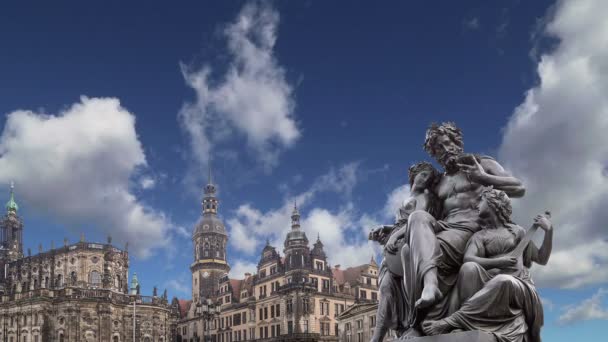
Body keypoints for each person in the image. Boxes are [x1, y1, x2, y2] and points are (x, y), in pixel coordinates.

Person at [395, 122, 526, 336]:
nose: (445, 150)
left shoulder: (481, 163)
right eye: (438, 149)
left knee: (416, 252)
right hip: (445, 227)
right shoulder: (438, 182)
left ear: (457, 142)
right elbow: (417, 209)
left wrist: (483, 177)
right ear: (434, 154)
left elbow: (519, 188)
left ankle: (431, 309)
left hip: (471, 228)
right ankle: (429, 291)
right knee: (411, 239)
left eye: (447, 144)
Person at [422, 188, 552, 342]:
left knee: (503, 280)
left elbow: (542, 258)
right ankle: (468, 323)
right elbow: (468, 258)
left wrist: (549, 231)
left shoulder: (517, 232)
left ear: (493, 204)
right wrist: (498, 262)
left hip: (517, 285)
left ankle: (453, 320)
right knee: (469, 268)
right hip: (490, 281)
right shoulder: (480, 236)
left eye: (481, 200)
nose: (476, 205)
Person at [368, 161, 440, 342]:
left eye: (429, 178)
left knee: (406, 278)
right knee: (385, 289)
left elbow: (417, 220)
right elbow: (402, 222)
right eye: (423, 175)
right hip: (393, 251)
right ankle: (378, 337)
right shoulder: (408, 196)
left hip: (410, 242)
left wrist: (395, 236)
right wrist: (385, 228)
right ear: (413, 175)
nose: (425, 180)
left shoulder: (428, 197)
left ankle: (412, 323)